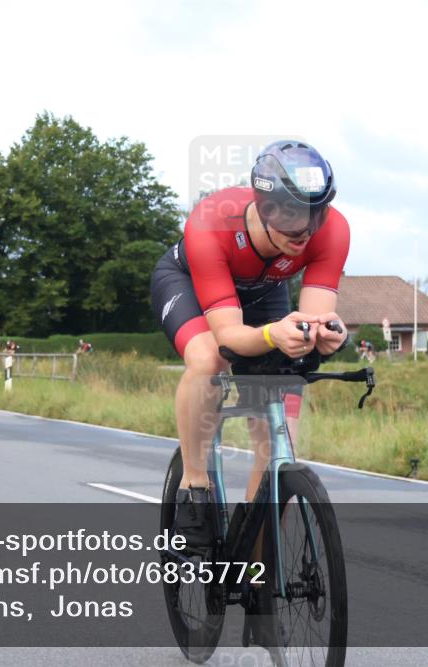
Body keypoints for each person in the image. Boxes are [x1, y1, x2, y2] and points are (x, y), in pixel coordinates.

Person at [150, 140, 350, 547]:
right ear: (265, 207)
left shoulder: (331, 229)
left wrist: (328, 335)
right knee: (209, 360)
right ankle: (195, 487)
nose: (307, 232)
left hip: (263, 292)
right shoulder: (211, 222)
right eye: (295, 219)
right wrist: (271, 334)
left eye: (317, 214)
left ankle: (256, 550)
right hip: (189, 282)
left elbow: (314, 319)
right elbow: (228, 337)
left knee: (281, 435)